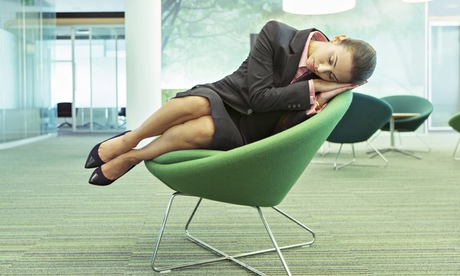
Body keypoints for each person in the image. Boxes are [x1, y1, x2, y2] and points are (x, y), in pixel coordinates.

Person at [85, 20, 377, 186]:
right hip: (229, 94)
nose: (322, 69)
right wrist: (313, 88)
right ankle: (131, 139)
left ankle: (131, 156)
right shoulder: (276, 34)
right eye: (330, 60)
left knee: (199, 130)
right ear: (338, 38)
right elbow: (258, 97)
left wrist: (319, 89)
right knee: (198, 103)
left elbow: (286, 125)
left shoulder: (321, 87)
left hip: (248, 130)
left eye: (331, 75)